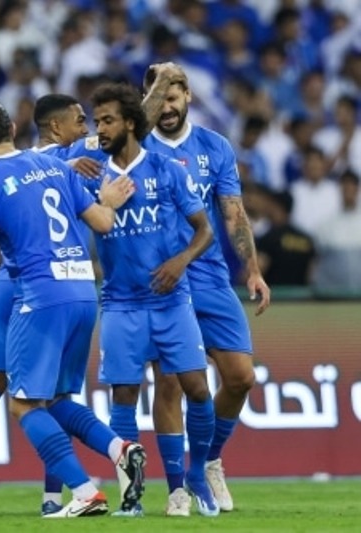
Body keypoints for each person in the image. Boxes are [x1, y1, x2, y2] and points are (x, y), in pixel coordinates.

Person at [0, 99, 144, 518]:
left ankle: (83, 492)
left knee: (22, 403)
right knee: (58, 399)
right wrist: (107, 200)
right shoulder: (57, 167)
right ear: (13, 128)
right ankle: (120, 449)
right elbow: (103, 222)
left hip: (39, 295)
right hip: (83, 291)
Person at [142, 65, 271, 516]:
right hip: (162, 279)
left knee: (241, 377)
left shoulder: (215, 147)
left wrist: (252, 270)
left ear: (188, 97)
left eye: (173, 96)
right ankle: (177, 488)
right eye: (159, 98)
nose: (167, 107)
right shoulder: (138, 148)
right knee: (170, 383)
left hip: (212, 276)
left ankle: (209, 461)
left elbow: (233, 213)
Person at [87, 82, 219, 517]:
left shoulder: (166, 170)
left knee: (197, 389)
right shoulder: (92, 175)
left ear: (130, 122)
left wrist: (181, 261)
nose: (100, 129)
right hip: (120, 304)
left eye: (107, 121)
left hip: (171, 300)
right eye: (96, 121)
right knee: (124, 395)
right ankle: (133, 495)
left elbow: (205, 230)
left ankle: (192, 477)